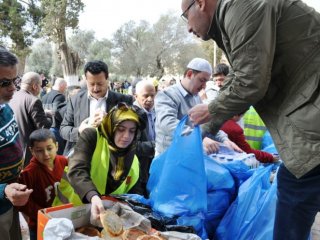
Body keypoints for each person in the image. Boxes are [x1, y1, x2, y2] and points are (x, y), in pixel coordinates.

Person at [182, 0, 320, 238]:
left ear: (201, 4)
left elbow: (250, 82)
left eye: (185, 17)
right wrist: (203, 130)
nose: (188, 28)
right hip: (308, 114)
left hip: (312, 117)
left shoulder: (240, 7)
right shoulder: (234, 18)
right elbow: (239, 77)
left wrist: (210, 111)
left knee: (294, 196)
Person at [54, 103, 145, 222]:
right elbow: (77, 169)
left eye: (132, 131)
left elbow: (134, 191)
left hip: (104, 219)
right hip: (70, 214)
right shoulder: (92, 136)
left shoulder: (134, 160)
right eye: (121, 129)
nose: (126, 136)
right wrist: (93, 196)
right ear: (110, 127)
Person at [155, 57, 242, 155]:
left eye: (206, 81)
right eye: (202, 80)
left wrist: (225, 140)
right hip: (167, 158)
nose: (204, 86)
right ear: (189, 74)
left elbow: (206, 124)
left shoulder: (196, 97)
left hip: (188, 156)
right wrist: (197, 139)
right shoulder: (167, 95)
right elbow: (167, 123)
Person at [60, 60, 133, 156]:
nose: (95, 88)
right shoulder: (75, 100)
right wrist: (80, 131)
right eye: (91, 84)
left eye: (100, 84)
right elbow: (63, 129)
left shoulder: (124, 101)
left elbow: (132, 131)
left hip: (112, 157)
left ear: (107, 79)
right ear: (86, 80)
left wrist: (110, 122)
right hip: (82, 156)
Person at [0, 47, 32, 240]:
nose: (13, 88)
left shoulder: (6, 108)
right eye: (5, 83)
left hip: (12, 202)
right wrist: (3, 190)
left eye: (15, 80)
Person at [18, 129, 68, 240]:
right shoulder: (28, 173)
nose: (46, 154)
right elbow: (23, 203)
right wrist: (44, 214)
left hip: (64, 217)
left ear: (57, 146)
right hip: (40, 224)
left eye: (49, 148)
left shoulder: (64, 161)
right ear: (32, 151)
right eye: (39, 150)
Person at [9, 72, 52, 165]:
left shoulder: (12, 96)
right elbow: (43, 126)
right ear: (35, 86)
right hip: (27, 153)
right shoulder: (34, 100)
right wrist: (49, 117)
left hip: (11, 148)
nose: (41, 89)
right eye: (41, 86)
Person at [133, 80, 156, 195]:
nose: (150, 99)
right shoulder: (132, 115)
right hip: (139, 171)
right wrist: (156, 146)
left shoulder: (155, 111)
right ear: (136, 96)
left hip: (152, 168)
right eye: (146, 96)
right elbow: (132, 146)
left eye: (152, 95)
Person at [42, 77, 68, 154]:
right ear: (61, 85)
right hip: (56, 128)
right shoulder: (60, 96)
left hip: (46, 128)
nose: (66, 88)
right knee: (59, 154)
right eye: (65, 86)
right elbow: (57, 112)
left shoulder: (44, 96)